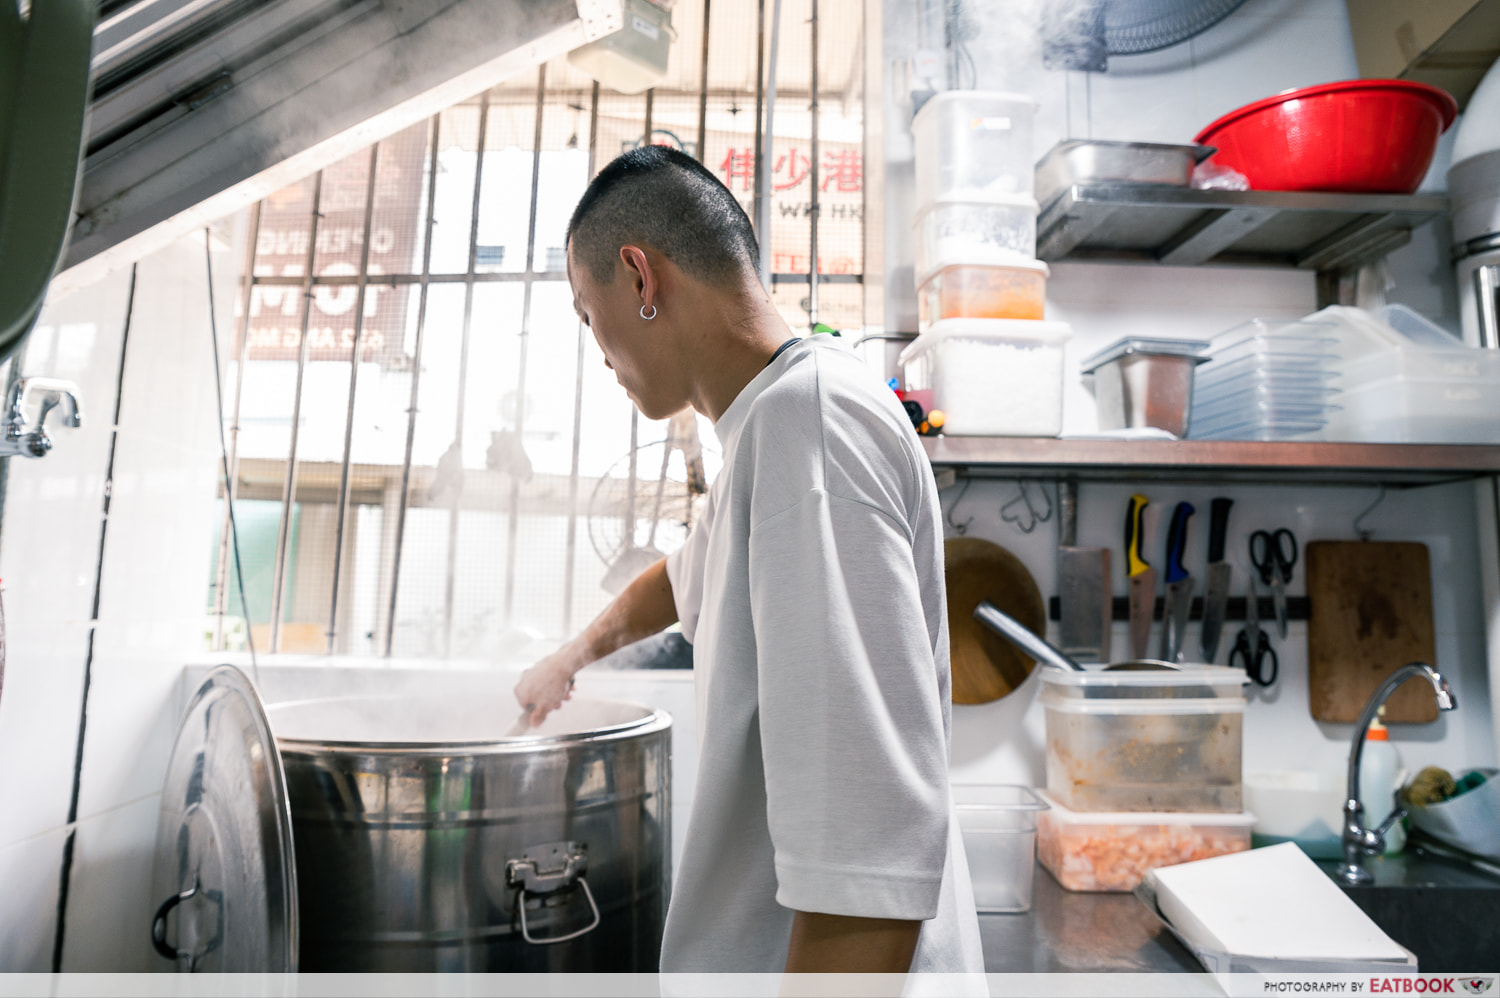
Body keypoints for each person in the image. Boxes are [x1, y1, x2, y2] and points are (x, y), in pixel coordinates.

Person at [514, 145, 985, 984]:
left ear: (640, 278)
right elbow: (681, 578)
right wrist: (567, 658)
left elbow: (865, 866)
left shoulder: (810, 428)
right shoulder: (776, 431)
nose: (601, 353)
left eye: (590, 317)